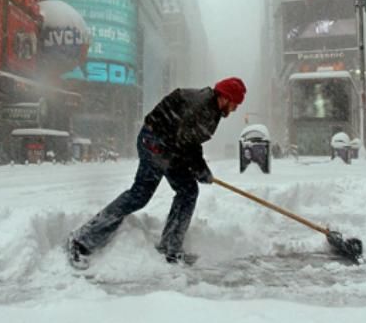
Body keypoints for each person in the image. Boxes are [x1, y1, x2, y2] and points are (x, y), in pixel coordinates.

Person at [67, 77, 247, 269]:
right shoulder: (202, 106)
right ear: (226, 98)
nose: (235, 108)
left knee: (188, 190)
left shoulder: (210, 107)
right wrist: (200, 170)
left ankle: (170, 248)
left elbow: (191, 142)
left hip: (170, 147)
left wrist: (201, 169)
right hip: (155, 143)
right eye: (235, 103)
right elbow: (186, 141)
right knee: (139, 195)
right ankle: (82, 240)